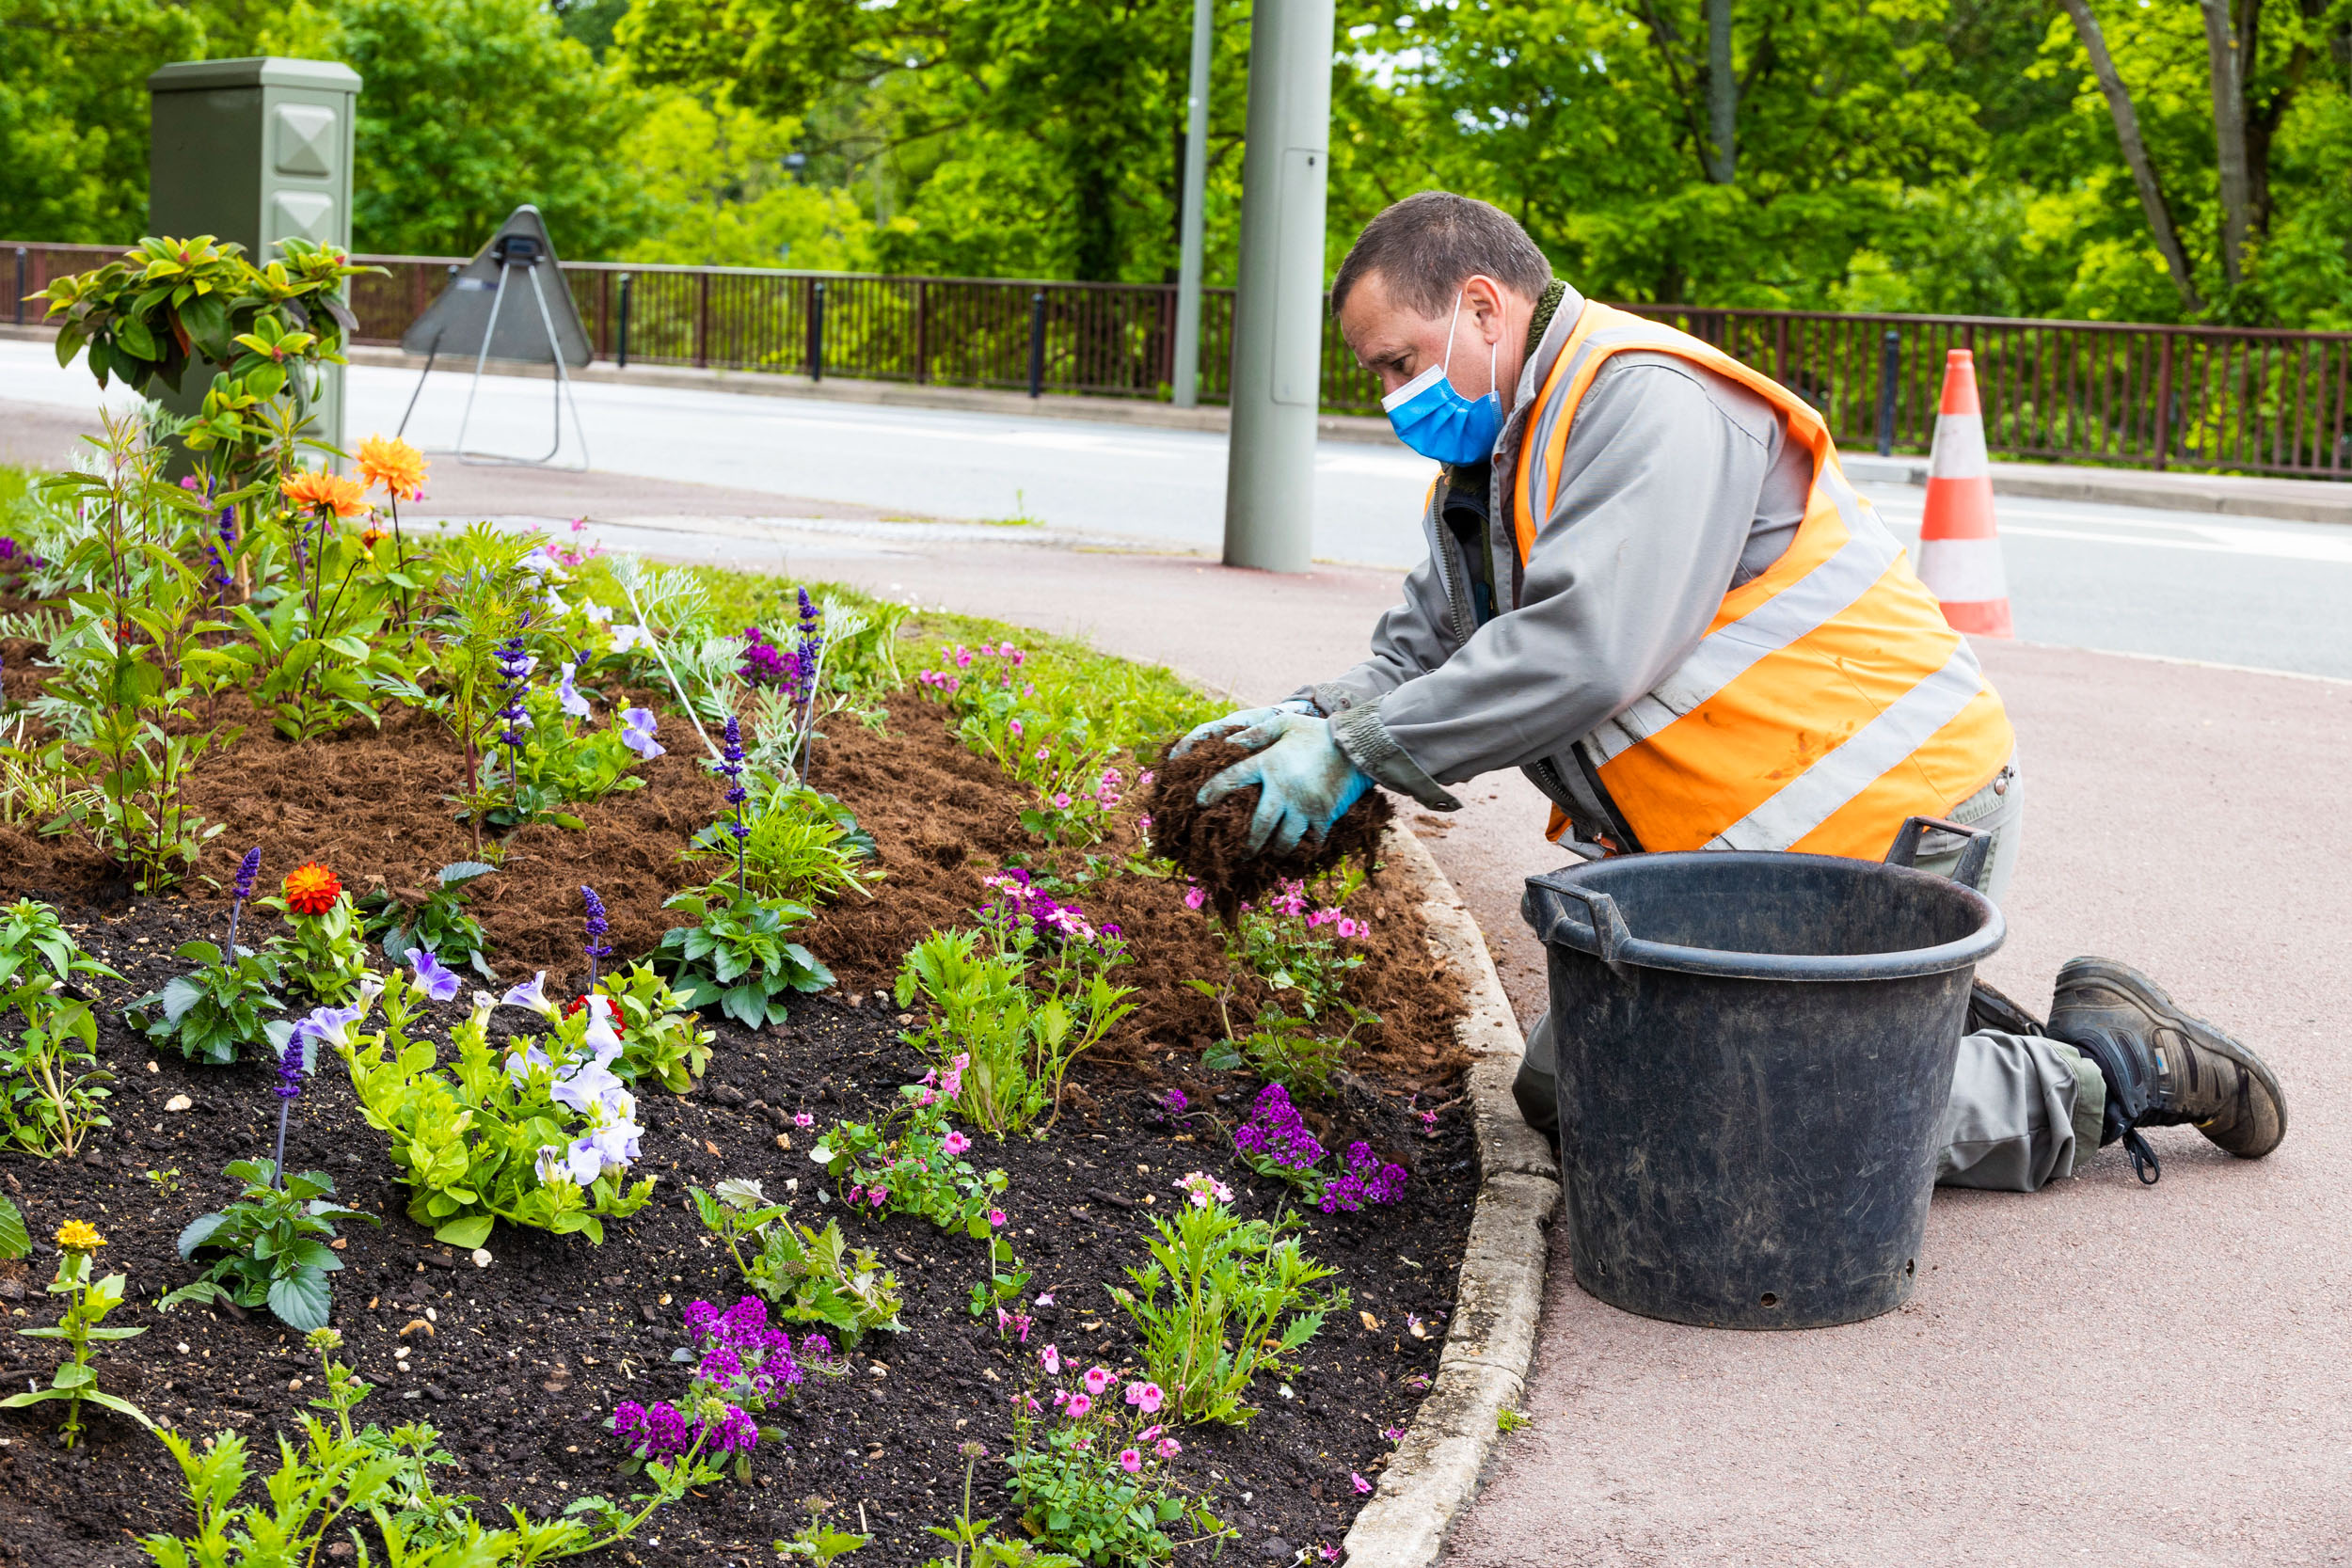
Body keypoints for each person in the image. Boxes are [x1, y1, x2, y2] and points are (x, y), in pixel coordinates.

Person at [1181, 192, 2284, 1190]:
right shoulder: (1495, 464)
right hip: (1739, 860)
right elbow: (1417, 647)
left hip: (1889, 824)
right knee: (1576, 1098)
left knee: (1735, 1117)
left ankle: (2109, 1069)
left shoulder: (1647, 403)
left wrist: (1360, 748)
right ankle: (1910, 1025)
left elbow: (1585, 651)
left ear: (1480, 306)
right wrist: (1313, 717)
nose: (1390, 396)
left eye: (1397, 362)